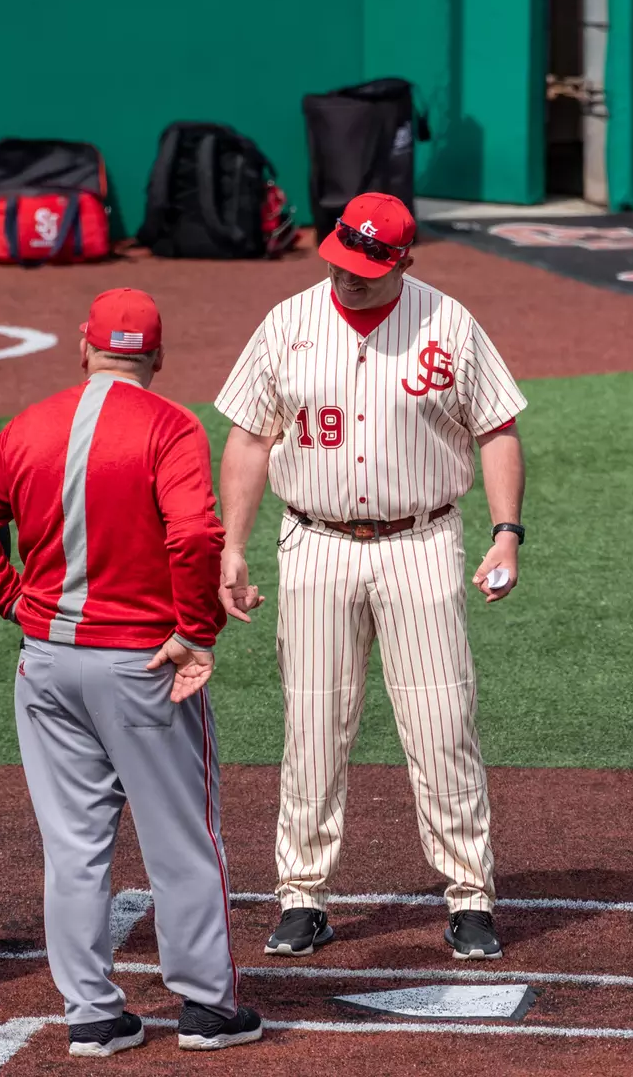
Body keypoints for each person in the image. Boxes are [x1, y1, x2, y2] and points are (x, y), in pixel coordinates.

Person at [0, 289, 261, 1057]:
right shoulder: (170, 426)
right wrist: (195, 632)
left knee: (74, 847)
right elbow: (195, 536)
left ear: (85, 346)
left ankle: (92, 1016)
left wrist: (8, 595)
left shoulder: (32, 424)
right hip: (143, 665)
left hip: (47, 665)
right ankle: (208, 1009)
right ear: (158, 356)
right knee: (182, 840)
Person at [215, 192, 527, 962]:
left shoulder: (449, 324)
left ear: (402, 261)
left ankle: (470, 895)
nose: (348, 277)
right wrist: (233, 545)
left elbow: (497, 428)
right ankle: (301, 896)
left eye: (365, 266)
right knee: (313, 726)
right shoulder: (287, 323)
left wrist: (507, 533)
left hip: (420, 543)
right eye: (340, 261)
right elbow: (249, 438)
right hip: (314, 543)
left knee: (441, 724)